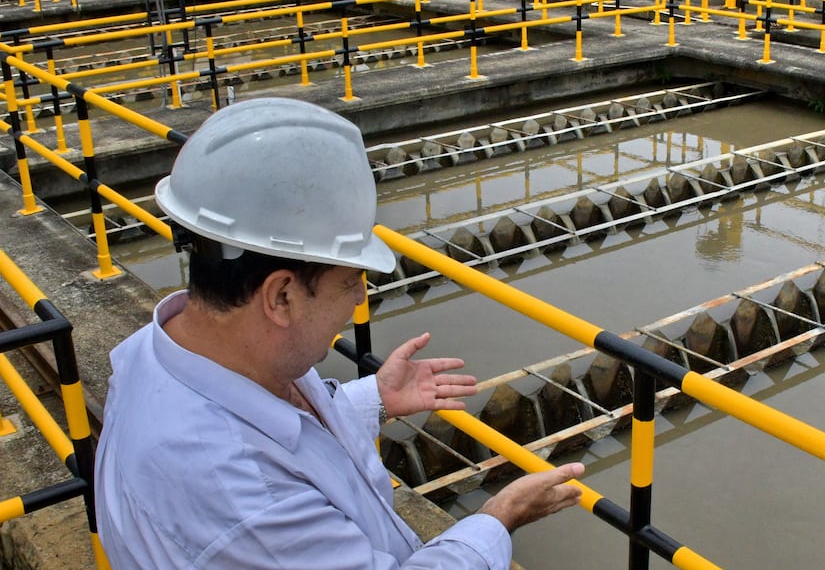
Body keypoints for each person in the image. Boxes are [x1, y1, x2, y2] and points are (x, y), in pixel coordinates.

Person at [95, 97, 583, 569]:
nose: (357, 300)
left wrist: (375, 398)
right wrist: (499, 519)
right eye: (351, 281)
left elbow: (278, 437)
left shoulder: (176, 353)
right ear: (281, 296)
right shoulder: (239, 499)